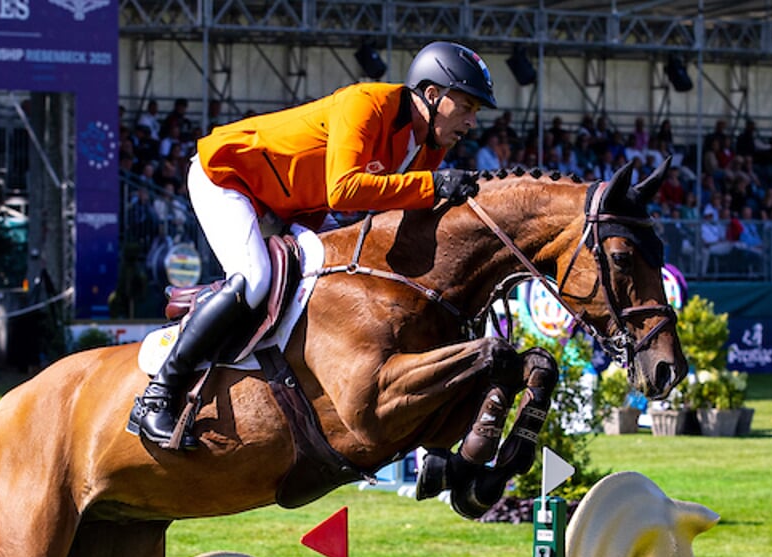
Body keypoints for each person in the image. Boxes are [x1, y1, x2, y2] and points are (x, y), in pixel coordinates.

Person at [126, 40, 496, 448]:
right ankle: (157, 396)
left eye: (474, 112)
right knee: (253, 279)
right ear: (431, 94)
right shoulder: (367, 104)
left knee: (331, 284)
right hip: (230, 179)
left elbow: (398, 211)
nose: (470, 122)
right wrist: (432, 186)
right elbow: (344, 190)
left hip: (293, 208)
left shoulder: (427, 146)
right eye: (466, 107)